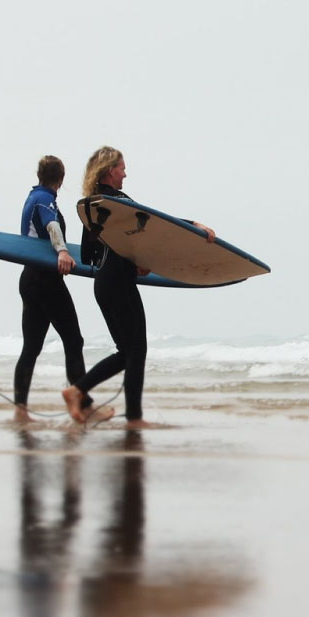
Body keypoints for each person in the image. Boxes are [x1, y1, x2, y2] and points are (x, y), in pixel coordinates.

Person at [62, 147, 215, 427]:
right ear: (111, 170)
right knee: (134, 350)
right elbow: (154, 225)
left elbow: (91, 253)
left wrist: (133, 263)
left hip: (107, 283)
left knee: (129, 350)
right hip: (117, 284)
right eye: (122, 168)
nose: (125, 173)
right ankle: (123, 413)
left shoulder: (94, 205)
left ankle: (84, 393)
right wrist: (193, 225)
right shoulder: (116, 202)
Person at [14, 156, 107, 422]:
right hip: (46, 280)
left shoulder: (32, 197)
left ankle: (20, 410)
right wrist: (63, 251)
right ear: (62, 179)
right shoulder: (45, 200)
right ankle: (83, 406)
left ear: (39, 174)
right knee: (73, 340)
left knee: (31, 347)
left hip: (29, 278)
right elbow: (51, 225)